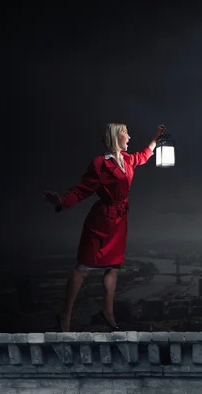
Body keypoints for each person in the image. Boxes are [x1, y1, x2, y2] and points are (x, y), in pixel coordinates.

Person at [43, 123, 166, 332]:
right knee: (83, 268)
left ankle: (107, 313)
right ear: (116, 137)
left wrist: (156, 138)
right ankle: (65, 315)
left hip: (119, 221)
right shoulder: (100, 164)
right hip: (100, 222)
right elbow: (81, 190)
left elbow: (144, 155)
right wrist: (61, 201)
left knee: (114, 268)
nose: (129, 137)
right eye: (125, 133)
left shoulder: (128, 160)